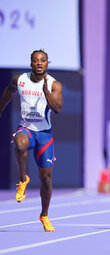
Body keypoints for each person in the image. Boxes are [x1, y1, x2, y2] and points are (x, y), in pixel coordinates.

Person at [0, 50, 63, 232]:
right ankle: (23, 180)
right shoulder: (20, 80)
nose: (39, 63)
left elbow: (57, 107)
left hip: (44, 135)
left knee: (46, 180)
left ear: (47, 64)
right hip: (26, 129)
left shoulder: (53, 84)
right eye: (35, 61)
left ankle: (44, 215)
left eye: (42, 60)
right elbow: (7, 93)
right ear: (31, 64)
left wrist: (46, 93)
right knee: (19, 145)